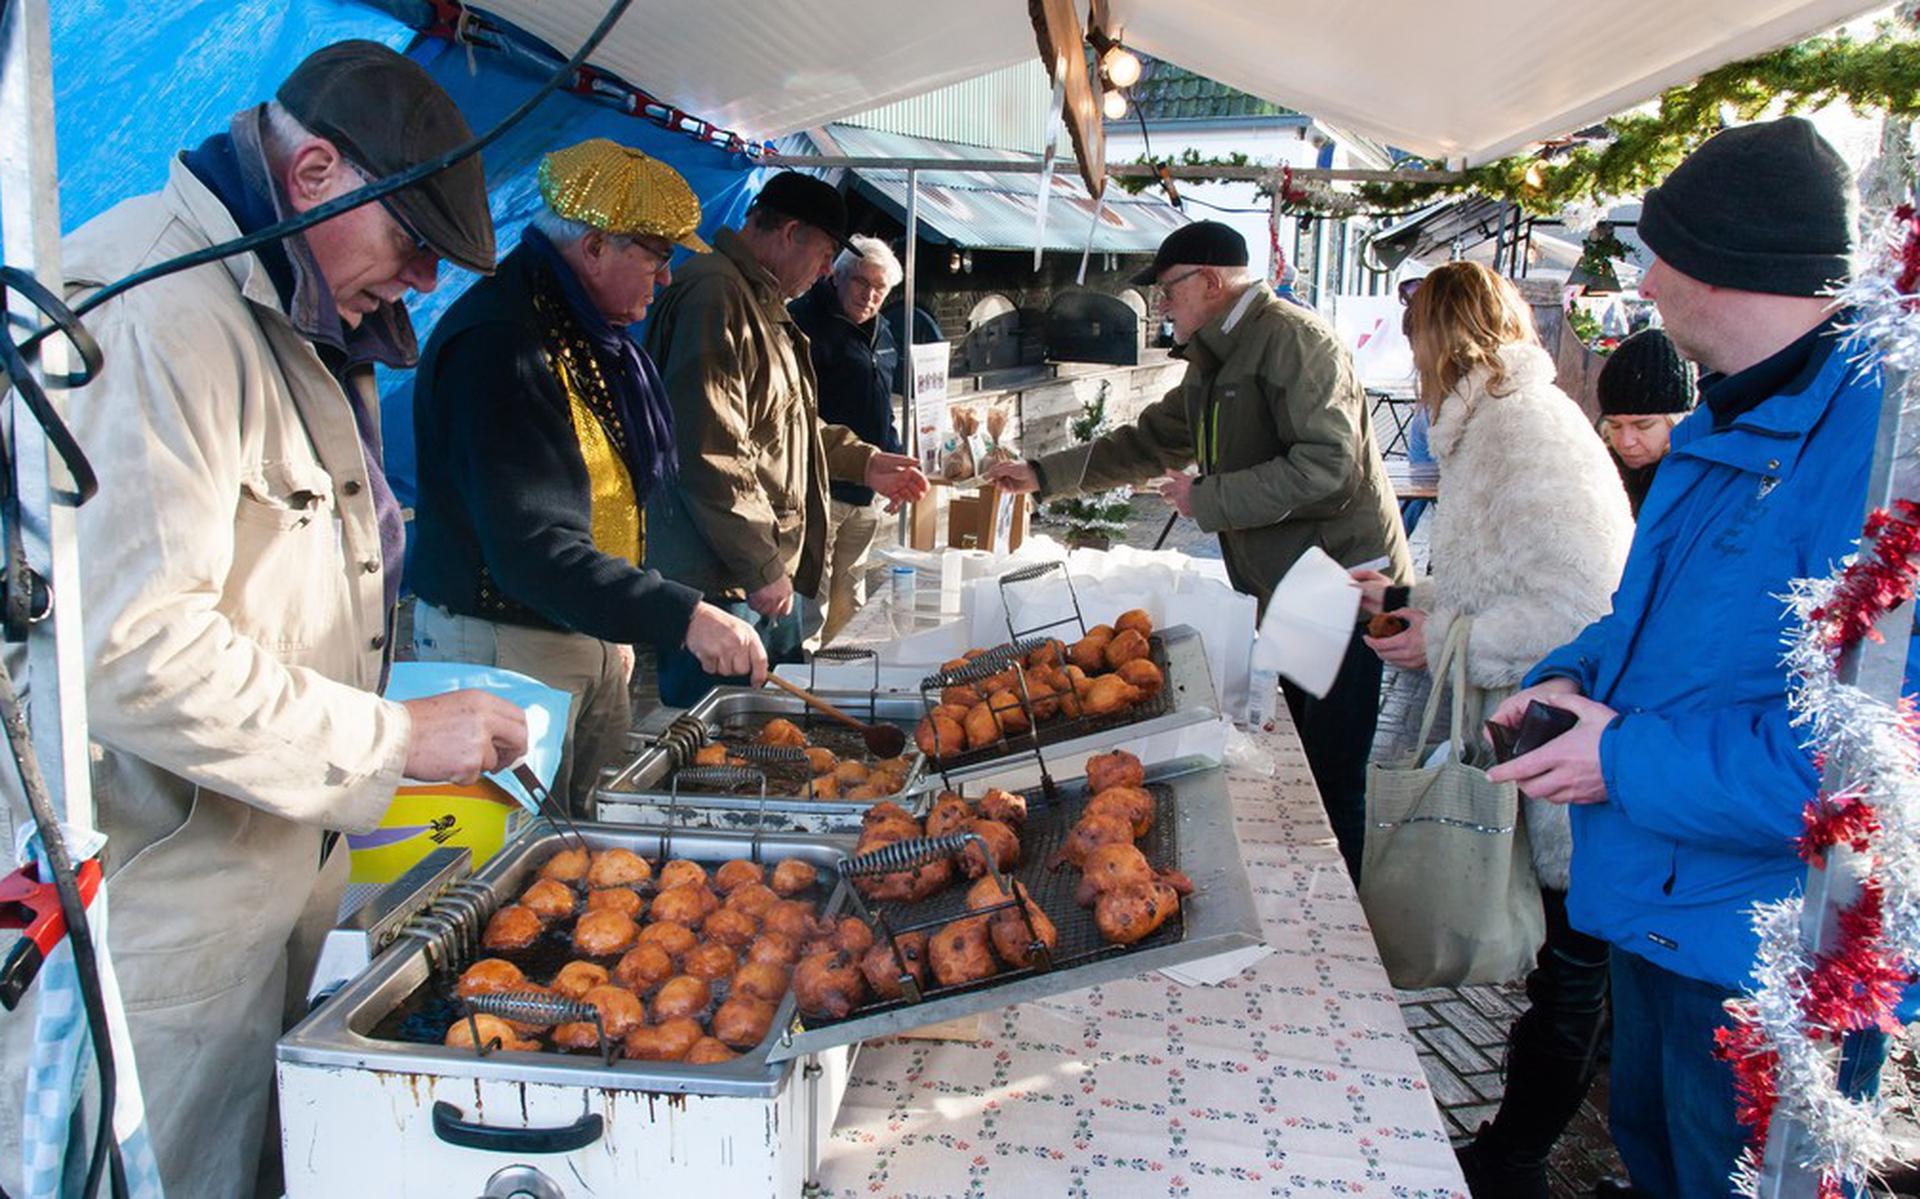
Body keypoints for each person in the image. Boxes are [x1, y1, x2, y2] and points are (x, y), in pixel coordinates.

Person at [0, 43, 529, 1197]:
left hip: (269, 889)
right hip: (157, 923)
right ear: (316, 174)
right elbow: (130, 646)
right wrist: (393, 742)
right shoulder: (156, 315)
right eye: (412, 246)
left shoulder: (286, 310)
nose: (423, 284)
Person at [1487, 116, 1913, 1198]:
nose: (1642, 276)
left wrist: (1619, 760)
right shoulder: (1729, 419)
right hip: (1661, 909)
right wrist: (1570, 677)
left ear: (1712, 265)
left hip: (1768, 956)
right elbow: (1645, 622)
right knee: (1658, 1160)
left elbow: (1872, 771)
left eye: (1652, 250)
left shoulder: (1886, 455)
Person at [986, 220, 1411, 879]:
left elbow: (1330, 466)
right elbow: (1149, 440)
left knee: (1331, 772)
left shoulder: (1293, 341)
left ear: (1211, 281)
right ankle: (1306, 886)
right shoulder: (1218, 354)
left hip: (1342, 588)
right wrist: (1042, 473)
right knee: (1295, 755)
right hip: (1288, 589)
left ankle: (1344, 907)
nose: (1163, 306)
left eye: (1169, 290)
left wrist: (1208, 498)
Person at [1351, 261, 1634, 1199]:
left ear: (1440, 342)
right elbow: (1488, 581)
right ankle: (1513, 1141)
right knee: (1560, 961)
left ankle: (1517, 1159)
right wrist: (1405, 598)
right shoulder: (1491, 424)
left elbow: (1578, 606)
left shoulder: (1521, 429)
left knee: (1569, 963)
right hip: (1536, 735)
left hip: (1566, 748)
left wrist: (1449, 637)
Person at [409, 139, 767, 810]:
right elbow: (531, 547)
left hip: (590, 630)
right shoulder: (502, 345)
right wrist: (683, 613)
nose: (664, 280)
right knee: (504, 859)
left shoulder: (587, 331)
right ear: (596, 246)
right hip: (508, 644)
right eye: (658, 257)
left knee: (590, 835)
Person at [642, 172, 928, 704]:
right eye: (824, 256)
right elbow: (708, 448)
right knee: (724, 750)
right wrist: (761, 564)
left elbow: (785, 425)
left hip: (757, 570)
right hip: (724, 580)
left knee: (774, 734)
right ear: (790, 232)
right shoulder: (715, 296)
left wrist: (864, 462)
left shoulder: (758, 299)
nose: (826, 273)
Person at [789, 235, 904, 642]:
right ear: (837, 277)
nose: (869, 295)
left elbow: (882, 406)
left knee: (850, 593)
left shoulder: (883, 332)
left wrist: (896, 461)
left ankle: (837, 677)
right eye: (861, 282)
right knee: (811, 597)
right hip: (818, 488)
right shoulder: (803, 324)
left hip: (866, 489)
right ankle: (805, 684)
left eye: (880, 288)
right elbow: (794, 415)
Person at [1595, 327, 1696, 517]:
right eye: (1615, 426)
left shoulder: (1702, 485)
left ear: (1677, 421)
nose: (1626, 442)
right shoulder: (1595, 475)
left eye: (1643, 426)